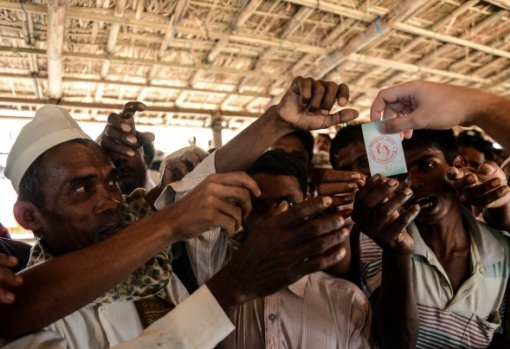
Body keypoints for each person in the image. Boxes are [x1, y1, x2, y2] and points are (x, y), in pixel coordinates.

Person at [0, 76, 358, 348]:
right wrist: (234, 285)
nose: (109, 200)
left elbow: (195, 184)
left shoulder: (150, 264)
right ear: (28, 217)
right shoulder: (26, 314)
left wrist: (278, 121)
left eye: (111, 181)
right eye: (80, 189)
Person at [183, 150, 373, 349]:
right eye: (258, 207)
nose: (274, 218)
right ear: (241, 208)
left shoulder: (347, 300)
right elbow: (195, 196)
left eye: (289, 203)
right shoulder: (217, 271)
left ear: (308, 204)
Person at [352, 129, 510, 348]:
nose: (413, 183)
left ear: (457, 164)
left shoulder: (501, 251)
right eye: (399, 176)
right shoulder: (375, 242)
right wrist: (397, 254)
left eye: (426, 165)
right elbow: (397, 342)